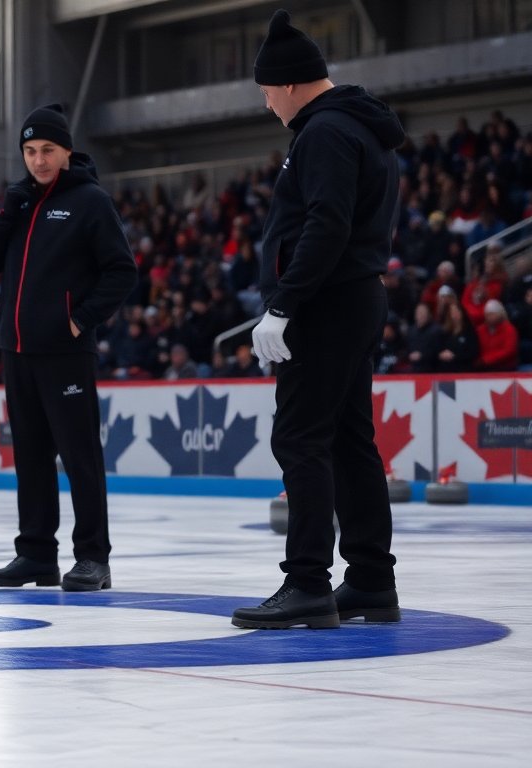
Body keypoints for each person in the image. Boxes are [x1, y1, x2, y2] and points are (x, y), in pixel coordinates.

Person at [235, 10, 404, 629]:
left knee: (300, 438)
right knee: (349, 439)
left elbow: (326, 224)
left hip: (329, 302)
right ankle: (370, 581)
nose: (266, 103)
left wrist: (284, 303)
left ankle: (308, 581)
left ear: (289, 83)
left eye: (266, 91)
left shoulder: (326, 132)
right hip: (353, 296)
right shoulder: (355, 127)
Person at [0, 103, 137, 591]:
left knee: (80, 456)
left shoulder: (89, 201)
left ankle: (92, 557)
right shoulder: (20, 203)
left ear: (67, 150)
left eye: (48, 150)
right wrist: (9, 207)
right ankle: (37, 555)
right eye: (29, 151)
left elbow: (121, 271)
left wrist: (79, 320)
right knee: (30, 457)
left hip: (65, 352)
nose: (39, 160)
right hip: (17, 351)